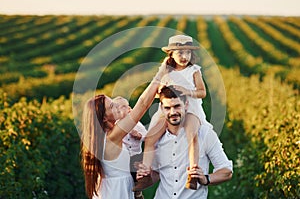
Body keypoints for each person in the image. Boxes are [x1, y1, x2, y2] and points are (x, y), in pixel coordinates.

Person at [134, 34, 212, 191]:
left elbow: (202, 92)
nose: (184, 57)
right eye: (180, 53)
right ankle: (146, 170)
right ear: (171, 54)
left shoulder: (194, 70)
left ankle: (193, 173)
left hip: (191, 109)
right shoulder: (166, 72)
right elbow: (157, 93)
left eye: (187, 52)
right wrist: (164, 92)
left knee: (192, 135)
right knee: (150, 138)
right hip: (169, 109)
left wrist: (187, 91)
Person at [80, 63, 167, 199]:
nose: (117, 106)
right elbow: (142, 105)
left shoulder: (98, 139)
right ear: (104, 118)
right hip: (117, 193)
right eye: (112, 106)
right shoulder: (112, 137)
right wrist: (161, 72)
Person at [136, 85, 233, 199]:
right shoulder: (157, 139)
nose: (173, 112)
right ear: (161, 108)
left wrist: (206, 179)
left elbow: (226, 171)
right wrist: (141, 180)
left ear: (186, 105)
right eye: (167, 108)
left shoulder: (205, 134)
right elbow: (157, 174)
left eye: (177, 106)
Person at [112, 96, 148, 199]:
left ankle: (138, 191)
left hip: (136, 154)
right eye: (116, 107)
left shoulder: (136, 124)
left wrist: (140, 136)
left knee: (138, 172)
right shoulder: (115, 125)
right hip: (124, 156)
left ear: (129, 109)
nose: (119, 109)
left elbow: (147, 136)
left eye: (123, 107)